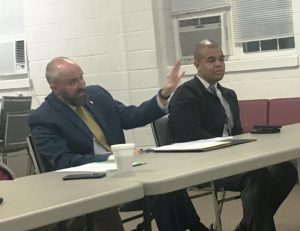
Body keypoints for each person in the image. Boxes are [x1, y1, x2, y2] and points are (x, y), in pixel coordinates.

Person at [28, 57, 210, 231]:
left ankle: (193, 227)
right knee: (101, 204)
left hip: (122, 174)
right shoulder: (44, 118)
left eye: (81, 77)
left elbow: (131, 116)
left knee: (166, 183)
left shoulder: (97, 95)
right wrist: (112, 158)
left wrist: (164, 94)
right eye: (72, 82)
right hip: (86, 184)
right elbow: (63, 162)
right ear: (55, 88)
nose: (81, 85)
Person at [168, 39, 297, 231]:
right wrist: (230, 147)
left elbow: (236, 132)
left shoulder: (228, 94)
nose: (218, 64)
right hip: (205, 163)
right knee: (256, 175)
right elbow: (190, 135)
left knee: (285, 170)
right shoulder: (186, 95)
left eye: (221, 59)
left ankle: (248, 226)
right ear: (197, 65)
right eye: (211, 60)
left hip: (233, 158)